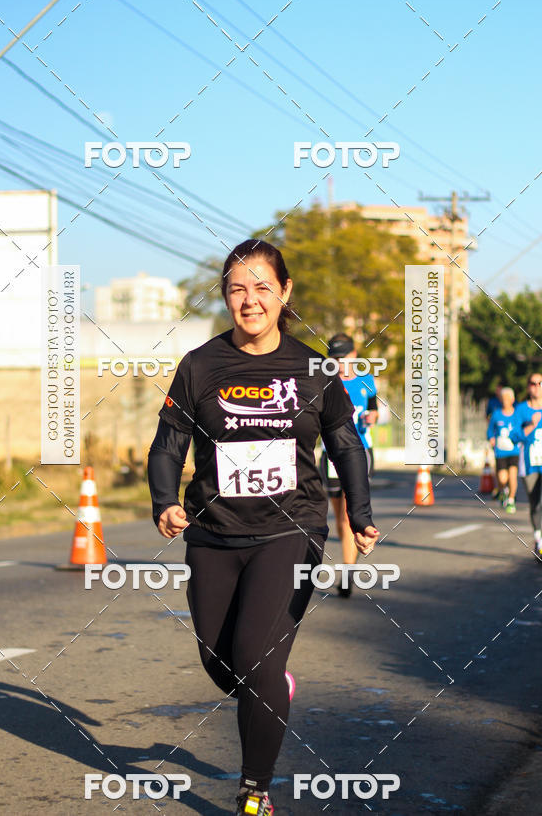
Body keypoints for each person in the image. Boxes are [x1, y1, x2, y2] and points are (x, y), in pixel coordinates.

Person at [147, 240, 379, 816]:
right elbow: (170, 442)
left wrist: (362, 511)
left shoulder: (313, 368)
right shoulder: (200, 365)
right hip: (214, 532)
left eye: (261, 287)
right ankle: (273, 685)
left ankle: (255, 788)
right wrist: (164, 501)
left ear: (285, 293)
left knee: (255, 656)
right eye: (236, 288)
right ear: (226, 295)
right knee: (220, 661)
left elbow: (344, 442)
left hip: (290, 530)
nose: (249, 301)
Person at [320, 334, 378, 598]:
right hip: (329, 453)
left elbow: (374, 409)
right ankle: (348, 562)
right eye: (335, 359)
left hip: (360, 450)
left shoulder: (366, 380)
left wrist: (371, 416)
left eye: (344, 358)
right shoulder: (326, 381)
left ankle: (347, 572)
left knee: (348, 514)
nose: (340, 363)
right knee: (340, 519)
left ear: (354, 356)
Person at [511, 373, 542, 558]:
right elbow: (514, 436)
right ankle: (538, 538)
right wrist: (531, 424)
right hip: (530, 464)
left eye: (540, 383)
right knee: (535, 504)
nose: (537, 386)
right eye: (533, 383)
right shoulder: (521, 410)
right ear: (528, 386)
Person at [486, 387, 519, 514]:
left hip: (514, 450)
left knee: (512, 475)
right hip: (500, 451)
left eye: (508, 399)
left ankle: (511, 500)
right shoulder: (496, 414)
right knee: (502, 478)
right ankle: (502, 490)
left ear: (512, 399)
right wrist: (491, 438)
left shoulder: (517, 414)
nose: (505, 401)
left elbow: (522, 429)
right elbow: (490, 430)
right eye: (503, 399)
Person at [486, 383, 504, 499]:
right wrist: (491, 434)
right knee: (498, 464)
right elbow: (487, 417)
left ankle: (506, 488)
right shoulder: (492, 403)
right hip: (497, 439)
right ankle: (499, 487)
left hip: (510, 440)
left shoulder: (512, 402)